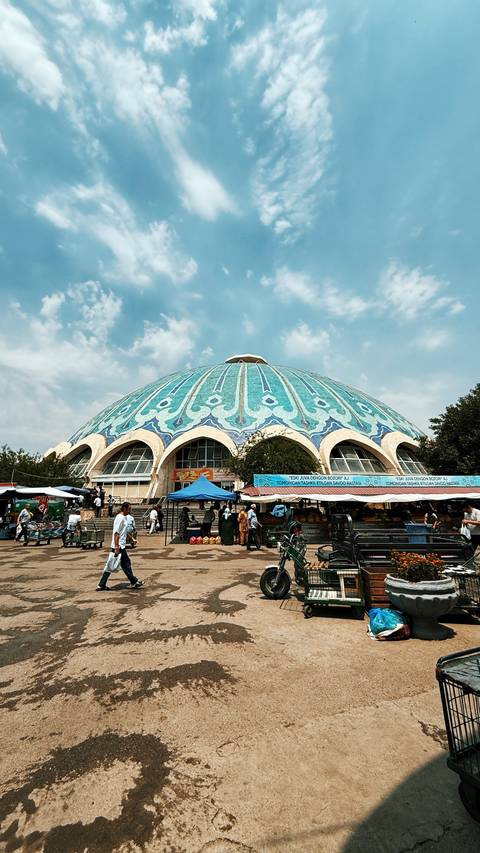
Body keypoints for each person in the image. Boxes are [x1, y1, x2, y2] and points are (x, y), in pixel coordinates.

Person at [96, 502, 144, 591]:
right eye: (129, 508)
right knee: (120, 564)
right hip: (118, 546)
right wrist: (117, 547)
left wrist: (132, 538)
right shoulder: (120, 518)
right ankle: (134, 581)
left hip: (120, 546)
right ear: (125, 508)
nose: (130, 510)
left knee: (117, 565)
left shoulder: (125, 518)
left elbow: (124, 531)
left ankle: (102, 585)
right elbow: (116, 533)